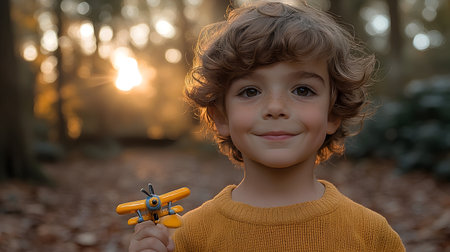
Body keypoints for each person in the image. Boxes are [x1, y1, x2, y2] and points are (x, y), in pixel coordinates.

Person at [129, 1, 405, 251]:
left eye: (303, 90)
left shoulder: (372, 236)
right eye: (250, 91)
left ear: (333, 113)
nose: (275, 107)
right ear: (221, 117)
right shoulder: (187, 238)